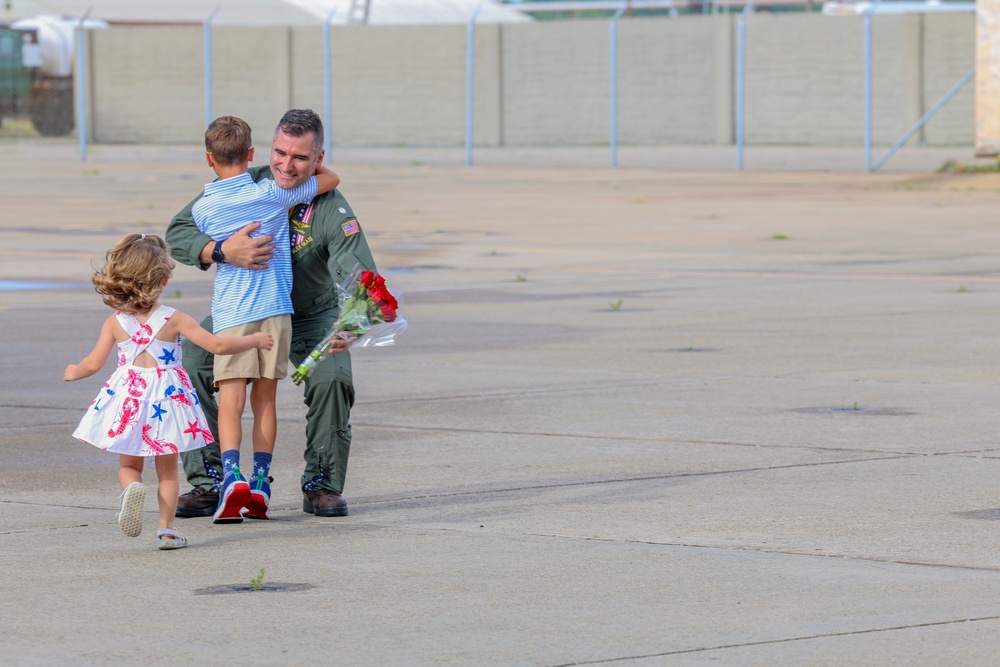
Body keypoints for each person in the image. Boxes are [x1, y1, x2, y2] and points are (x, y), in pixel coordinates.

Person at [166, 108, 377, 519]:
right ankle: (211, 483)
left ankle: (321, 486)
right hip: (247, 310)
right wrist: (221, 251)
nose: (286, 165)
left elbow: (359, 272)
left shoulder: (331, 207)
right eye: (280, 152)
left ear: (318, 157)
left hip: (313, 315)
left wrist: (357, 315)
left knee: (332, 378)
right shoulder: (248, 183)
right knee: (192, 360)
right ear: (266, 149)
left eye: (300, 157)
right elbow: (179, 231)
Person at [65, 234, 274, 550]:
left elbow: (93, 363)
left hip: (129, 397)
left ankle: (131, 490)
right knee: (167, 472)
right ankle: (167, 530)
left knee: (129, 465)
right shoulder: (175, 318)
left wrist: (73, 371)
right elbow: (217, 345)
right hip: (168, 398)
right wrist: (254, 340)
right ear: (163, 280)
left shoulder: (115, 322)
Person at [193, 115, 340, 524]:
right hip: (276, 311)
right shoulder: (273, 193)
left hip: (233, 313)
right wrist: (303, 167)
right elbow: (331, 180)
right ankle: (260, 479)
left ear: (209, 159)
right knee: (265, 402)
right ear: (253, 155)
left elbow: (196, 240)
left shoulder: (204, 208)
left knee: (231, 402)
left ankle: (230, 477)